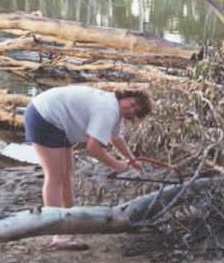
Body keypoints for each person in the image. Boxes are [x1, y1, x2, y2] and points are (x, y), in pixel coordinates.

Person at [24, 84, 153, 250]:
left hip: (58, 121)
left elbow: (116, 138)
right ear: (126, 95)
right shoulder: (109, 108)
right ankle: (59, 233)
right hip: (45, 116)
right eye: (133, 104)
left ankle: (69, 219)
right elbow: (93, 148)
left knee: (66, 174)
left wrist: (132, 160)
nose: (131, 110)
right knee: (54, 176)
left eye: (136, 111)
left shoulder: (115, 112)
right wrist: (116, 165)